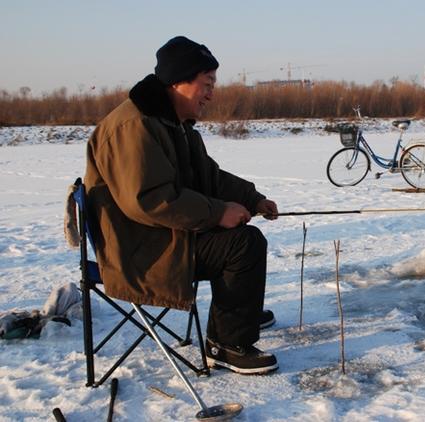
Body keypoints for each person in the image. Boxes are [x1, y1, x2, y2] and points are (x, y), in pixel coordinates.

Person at [84, 36, 279, 374]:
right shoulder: (135, 126)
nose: (211, 93)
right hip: (141, 250)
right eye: (206, 84)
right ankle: (227, 342)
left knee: (239, 233)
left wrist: (252, 199)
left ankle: (237, 314)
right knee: (243, 244)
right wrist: (219, 212)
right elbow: (149, 199)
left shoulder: (172, 124)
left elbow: (209, 176)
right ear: (178, 81)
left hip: (160, 237)